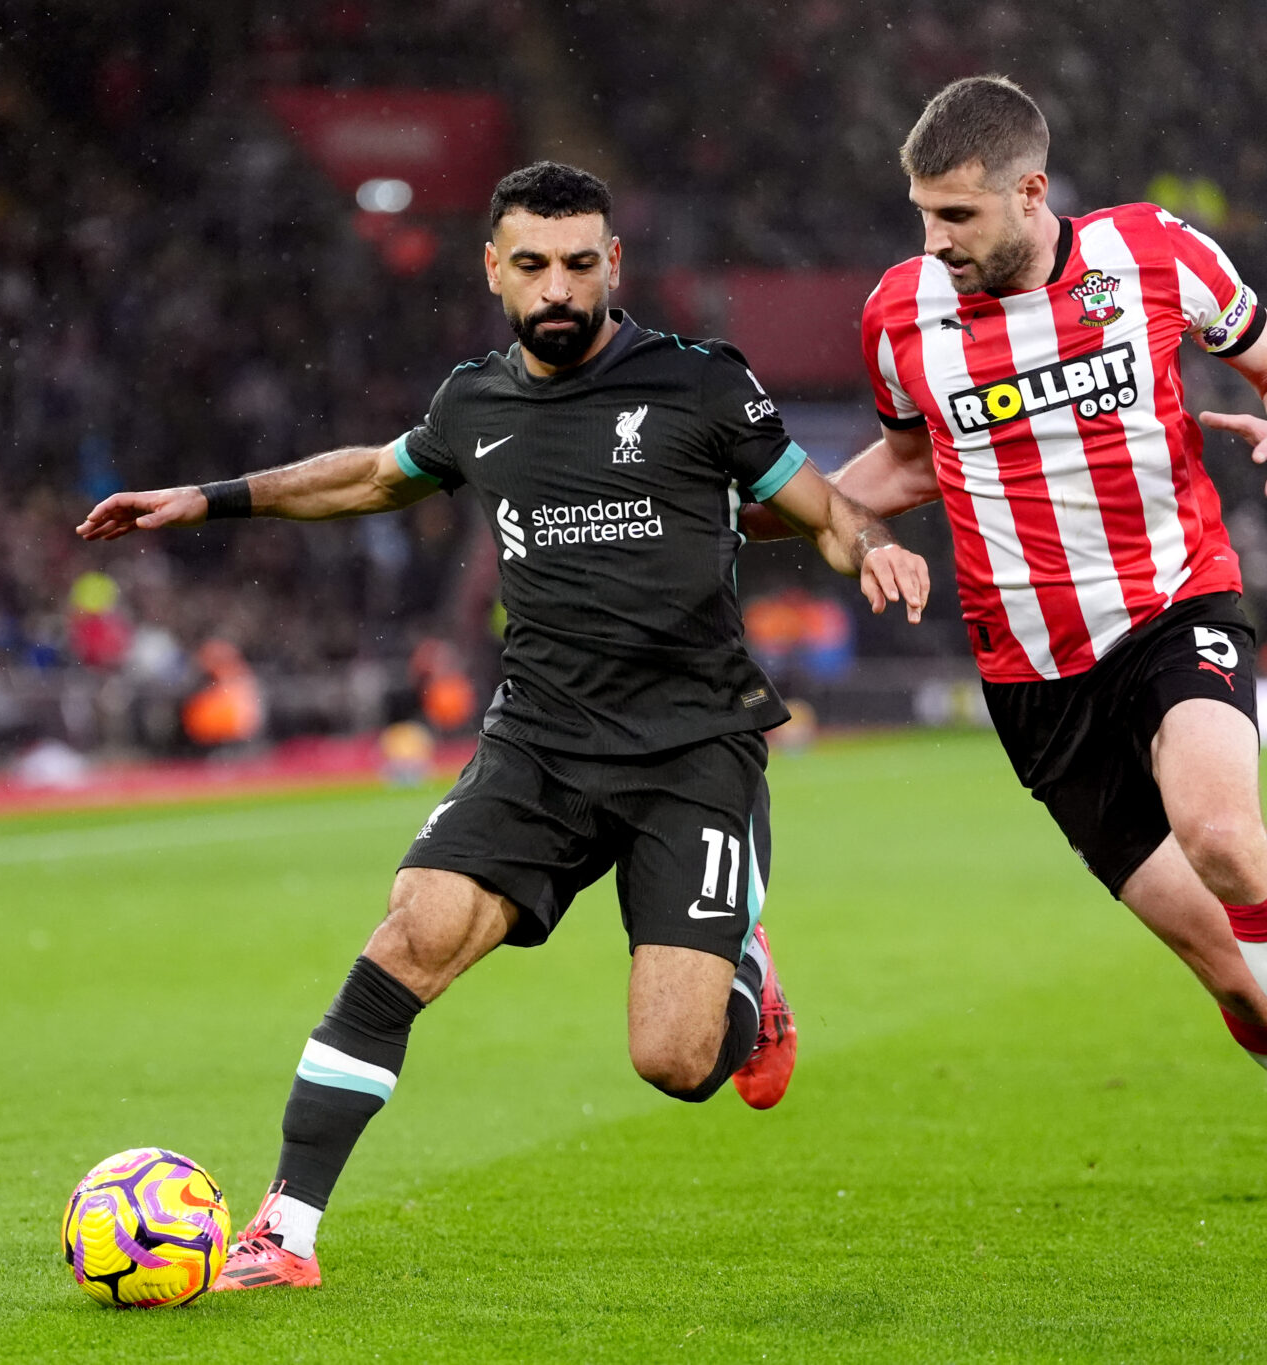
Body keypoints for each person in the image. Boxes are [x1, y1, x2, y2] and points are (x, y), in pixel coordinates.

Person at [77, 161, 932, 1290]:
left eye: (580, 263)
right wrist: (209, 498)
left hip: (692, 747)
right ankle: (286, 1229)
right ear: (494, 271)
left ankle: (741, 981)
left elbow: (817, 504)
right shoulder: (474, 403)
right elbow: (369, 478)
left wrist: (871, 545)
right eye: (531, 265)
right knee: (412, 931)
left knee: (674, 1062)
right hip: (540, 741)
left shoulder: (701, 387)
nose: (557, 287)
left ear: (613, 265)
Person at [752, 77, 1267, 1272]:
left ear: (1030, 192)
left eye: (955, 218)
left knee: (1224, 837)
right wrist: (766, 515)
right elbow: (900, 463)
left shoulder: (1152, 254)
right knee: (1223, 964)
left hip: (1170, 606)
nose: (931, 244)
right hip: (1031, 676)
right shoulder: (901, 316)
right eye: (920, 217)